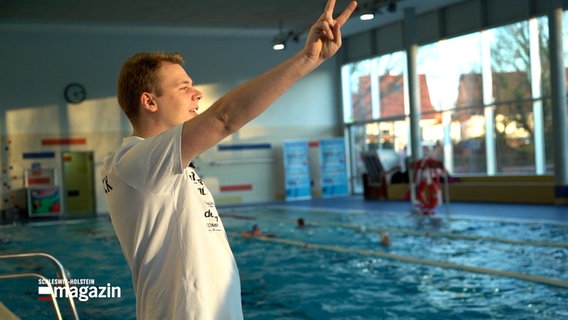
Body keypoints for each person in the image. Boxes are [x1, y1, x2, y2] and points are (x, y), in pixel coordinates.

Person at [100, 1, 357, 319]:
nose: (197, 94)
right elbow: (225, 118)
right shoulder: (135, 161)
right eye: (184, 87)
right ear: (149, 101)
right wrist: (307, 59)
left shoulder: (164, 165)